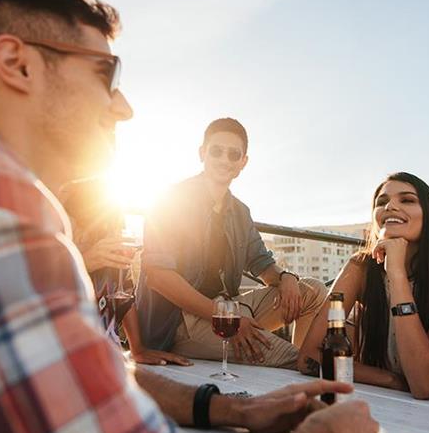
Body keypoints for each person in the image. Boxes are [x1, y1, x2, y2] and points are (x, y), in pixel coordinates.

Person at [0, 0, 381, 433]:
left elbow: (78, 374)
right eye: (105, 72)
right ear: (18, 64)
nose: (123, 107)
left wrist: (226, 409)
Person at [136, 118, 328, 368]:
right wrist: (228, 318)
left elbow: (264, 266)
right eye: (216, 151)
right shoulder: (171, 200)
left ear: (242, 162)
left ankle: (303, 362)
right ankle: (301, 366)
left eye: (233, 154)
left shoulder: (240, 212)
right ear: (202, 153)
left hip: (229, 309)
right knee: (289, 357)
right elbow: (158, 277)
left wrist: (287, 277)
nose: (224, 160)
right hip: (179, 323)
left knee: (312, 291)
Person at [298, 172, 429, 404]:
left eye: (407, 200)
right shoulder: (361, 267)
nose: (390, 206)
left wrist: (396, 273)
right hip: (384, 397)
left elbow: (424, 385)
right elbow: (309, 355)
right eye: (381, 202)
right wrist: (391, 381)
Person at [60, 176, 190, 365]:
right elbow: (36, 281)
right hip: (69, 355)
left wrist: (137, 348)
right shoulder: (61, 200)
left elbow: (124, 292)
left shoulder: (112, 220)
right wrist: (84, 261)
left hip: (110, 354)